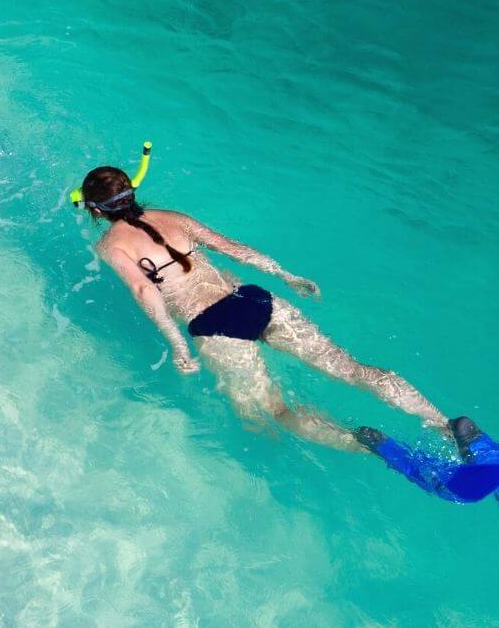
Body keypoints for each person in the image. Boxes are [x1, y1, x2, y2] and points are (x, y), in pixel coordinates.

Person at [78, 164, 453, 455]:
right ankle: (443, 423)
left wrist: (177, 345)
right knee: (351, 368)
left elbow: (146, 290)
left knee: (271, 415)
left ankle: (364, 444)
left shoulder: (111, 245)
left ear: (96, 210)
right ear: (133, 190)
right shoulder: (174, 218)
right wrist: (286, 275)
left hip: (215, 326)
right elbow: (232, 247)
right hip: (254, 300)